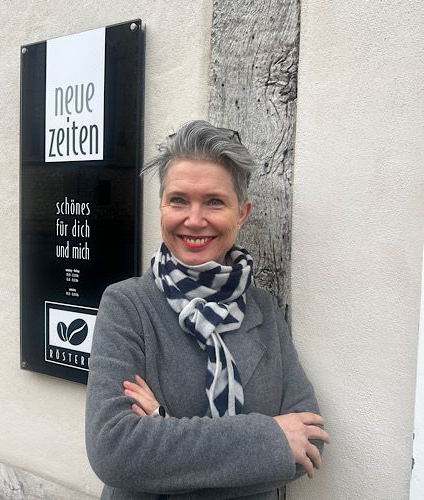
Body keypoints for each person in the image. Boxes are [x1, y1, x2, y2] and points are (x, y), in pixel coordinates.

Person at [85, 120, 330, 500]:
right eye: (178, 200)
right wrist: (272, 439)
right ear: (162, 206)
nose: (194, 219)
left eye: (214, 201)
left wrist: (163, 427)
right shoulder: (127, 305)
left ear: (242, 213)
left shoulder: (263, 310)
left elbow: (309, 443)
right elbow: (115, 450)